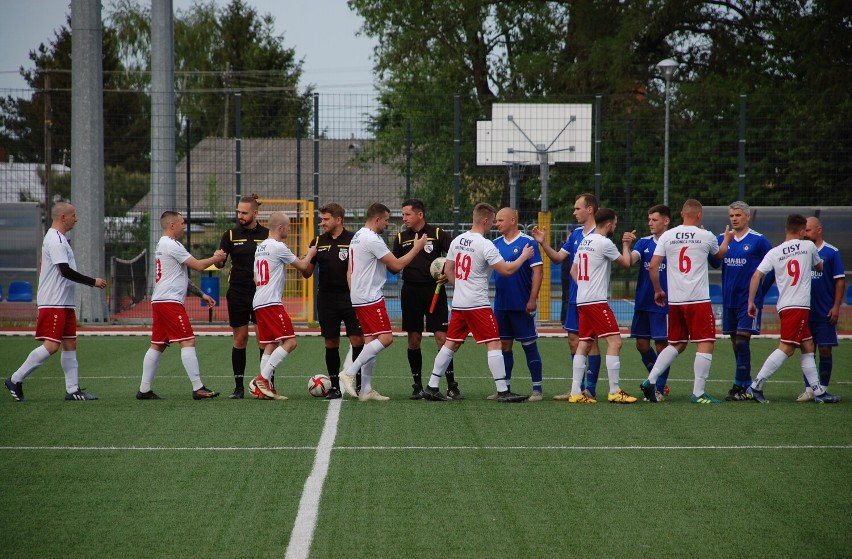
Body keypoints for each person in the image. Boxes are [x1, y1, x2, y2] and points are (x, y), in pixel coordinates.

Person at [421, 203, 534, 403]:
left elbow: (448, 270)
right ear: (484, 220)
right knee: (494, 342)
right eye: (492, 221)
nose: (493, 225)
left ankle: (431, 386)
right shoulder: (485, 244)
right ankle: (502, 390)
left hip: (459, 304)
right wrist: (524, 256)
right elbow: (506, 270)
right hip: (477, 304)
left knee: (450, 344)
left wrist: (461, 287)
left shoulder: (457, 240)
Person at [4, 202, 107, 402]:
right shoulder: (55, 240)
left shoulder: (60, 238)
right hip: (54, 302)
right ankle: (15, 379)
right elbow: (64, 271)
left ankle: (73, 390)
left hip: (64, 302)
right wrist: (93, 282)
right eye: (73, 215)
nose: (75, 219)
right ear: (63, 217)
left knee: (70, 343)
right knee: (52, 346)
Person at [639, 199, 733, 404]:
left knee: (677, 343)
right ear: (699, 215)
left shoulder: (667, 235)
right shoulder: (706, 235)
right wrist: (726, 239)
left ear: (682, 214)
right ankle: (698, 393)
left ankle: (650, 380)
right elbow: (719, 256)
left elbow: (653, 266)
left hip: (676, 300)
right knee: (706, 342)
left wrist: (658, 290)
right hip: (698, 299)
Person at [744, 214, 840, 404]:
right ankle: (755, 385)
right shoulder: (809, 246)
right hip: (798, 306)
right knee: (787, 349)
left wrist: (750, 302)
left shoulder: (775, 251)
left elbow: (756, 276)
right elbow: (819, 268)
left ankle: (818, 392)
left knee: (808, 346)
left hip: (785, 305)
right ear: (801, 230)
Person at [338, 202, 427, 401]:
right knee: (386, 338)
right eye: (386, 220)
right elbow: (396, 264)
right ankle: (350, 372)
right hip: (369, 296)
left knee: (371, 340)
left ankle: (366, 390)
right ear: (377, 219)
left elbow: (351, 270)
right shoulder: (371, 238)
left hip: (360, 295)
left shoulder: (358, 236)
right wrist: (417, 248)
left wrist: (356, 293)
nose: (388, 224)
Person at [136, 211, 226, 400]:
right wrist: (216, 258)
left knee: (157, 345)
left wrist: (201, 294)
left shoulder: (162, 244)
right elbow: (199, 266)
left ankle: (144, 390)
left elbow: (180, 277)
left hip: (160, 301)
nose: (184, 226)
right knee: (188, 341)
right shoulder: (171, 244)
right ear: (172, 225)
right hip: (169, 302)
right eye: (182, 223)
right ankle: (198, 388)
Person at [532, 193, 602, 400]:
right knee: (573, 340)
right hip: (574, 297)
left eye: (577, 208)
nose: (574, 212)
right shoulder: (575, 235)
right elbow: (557, 258)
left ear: (590, 209)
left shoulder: (600, 235)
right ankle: (577, 389)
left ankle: (591, 389)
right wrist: (543, 243)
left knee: (591, 341)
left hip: (592, 297)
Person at [565, 208, 637, 404]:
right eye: (614, 224)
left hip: (583, 300)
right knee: (615, 342)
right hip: (596, 302)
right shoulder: (605, 243)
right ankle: (614, 391)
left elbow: (573, 270)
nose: (614, 227)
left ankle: (575, 393)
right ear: (608, 224)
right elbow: (626, 263)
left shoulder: (584, 241)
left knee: (584, 343)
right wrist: (626, 244)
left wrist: (585, 287)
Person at [392, 199, 462, 399]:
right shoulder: (400, 237)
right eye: (403, 215)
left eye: (407, 214)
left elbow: (457, 253)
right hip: (410, 292)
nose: (404, 218)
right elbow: (394, 264)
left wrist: (449, 273)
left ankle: (451, 385)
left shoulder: (438, 233)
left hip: (435, 291)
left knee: (442, 338)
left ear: (419, 215)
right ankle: (417, 386)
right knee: (414, 340)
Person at [248, 212, 317, 400]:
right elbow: (303, 266)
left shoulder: (260, 247)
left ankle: (263, 389)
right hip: (271, 303)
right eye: (287, 226)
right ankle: (262, 379)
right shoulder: (279, 246)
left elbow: (256, 277)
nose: (288, 229)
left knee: (270, 344)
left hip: (259, 301)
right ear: (280, 228)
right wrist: (311, 253)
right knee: (290, 342)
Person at [708, 201, 773, 401]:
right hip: (729, 301)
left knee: (743, 342)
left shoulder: (759, 241)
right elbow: (716, 263)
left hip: (748, 302)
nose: (734, 219)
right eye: (731, 216)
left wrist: (761, 290)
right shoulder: (722, 238)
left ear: (747, 216)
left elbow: (774, 266)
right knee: (736, 343)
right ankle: (746, 385)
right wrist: (721, 243)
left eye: (738, 215)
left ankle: (738, 386)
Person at [301, 203, 364, 400]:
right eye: (321, 219)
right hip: (326, 298)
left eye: (326, 219)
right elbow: (307, 273)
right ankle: (335, 387)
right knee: (331, 342)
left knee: (357, 340)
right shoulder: (318, 241)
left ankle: (359, 384)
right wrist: (306, 257)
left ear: (338, 219)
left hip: (351, 298)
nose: (322, 222)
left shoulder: (354, 239)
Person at [216, 193, 269, 398]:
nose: (240, 215)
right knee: (240, 339)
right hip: (237, 293)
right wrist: (219, 259)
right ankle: (238, 388)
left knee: (264, 341)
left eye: (244, 212)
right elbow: (221, 261)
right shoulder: (230, 235)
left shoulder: (266, 234)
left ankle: (266, 385)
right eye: (238, 211)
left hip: (261, 293)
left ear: (255, 213)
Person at [492, 207, 544, 400]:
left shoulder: (528, 243)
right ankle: (504, 388)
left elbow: (538, 272)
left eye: (500, 220)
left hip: (521, 304)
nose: (496, 224)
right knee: (504, 345)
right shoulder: (494, 243)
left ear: (512, 220)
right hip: (501, 305)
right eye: (496, 221)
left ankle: (537, 388)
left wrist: (532, 299)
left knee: (529, 345)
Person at [622, 204, 672, 401]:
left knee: (662, 346)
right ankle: (656, 380)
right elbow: (629, 262)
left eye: (655, 219)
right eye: (649, 219)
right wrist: (626, 245)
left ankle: (658, 388)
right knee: (642, 345)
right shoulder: (643, 243)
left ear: (666, 221)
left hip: (663, 304)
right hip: (643, 302)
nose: (650, 223)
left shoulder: (673, 243)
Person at [798, 217, 845, 401]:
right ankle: (809, 389)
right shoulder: (801, 251)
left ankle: (823, 388)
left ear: (819, 230)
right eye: (803, 230)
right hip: (804, 310)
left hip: (825, 311)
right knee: (807, 350)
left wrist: (836, 306)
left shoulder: (832, 252)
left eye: (808, 230)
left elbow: (840, 281)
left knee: (825, 349)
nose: (805, 234)